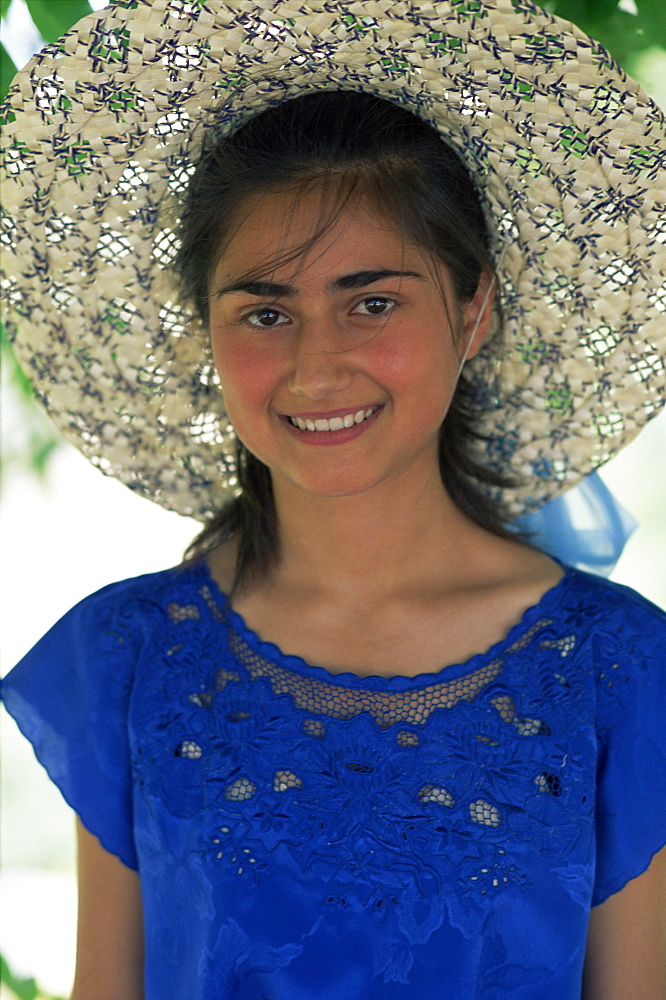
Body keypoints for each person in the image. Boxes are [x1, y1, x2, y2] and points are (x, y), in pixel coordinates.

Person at [1, 2, 665, 998]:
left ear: (474, 306)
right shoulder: (127, 657)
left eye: (373, 302)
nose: (317, 368)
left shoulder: (621, 669)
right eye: (266, 311)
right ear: (207, 331)